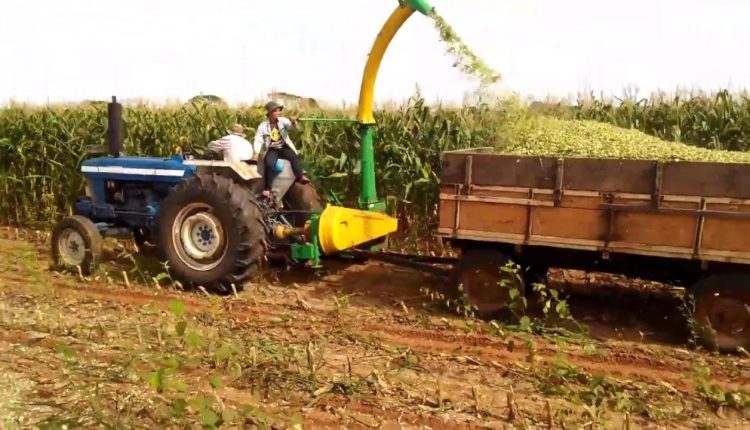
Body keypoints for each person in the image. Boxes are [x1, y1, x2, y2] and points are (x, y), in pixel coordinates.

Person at [253, 101, 309, 197]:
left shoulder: (283, 121)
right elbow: (258, 139)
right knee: (268, 162)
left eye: (279, 111)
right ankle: (267, 188)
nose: (278, 113)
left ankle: (300, 176)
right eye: (276, 111)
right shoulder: (263, 126)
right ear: (270, 113)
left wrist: (293, 122)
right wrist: (256, 152)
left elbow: (290, 127)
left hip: (283, 147)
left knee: (293, 157)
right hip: (272, 149)